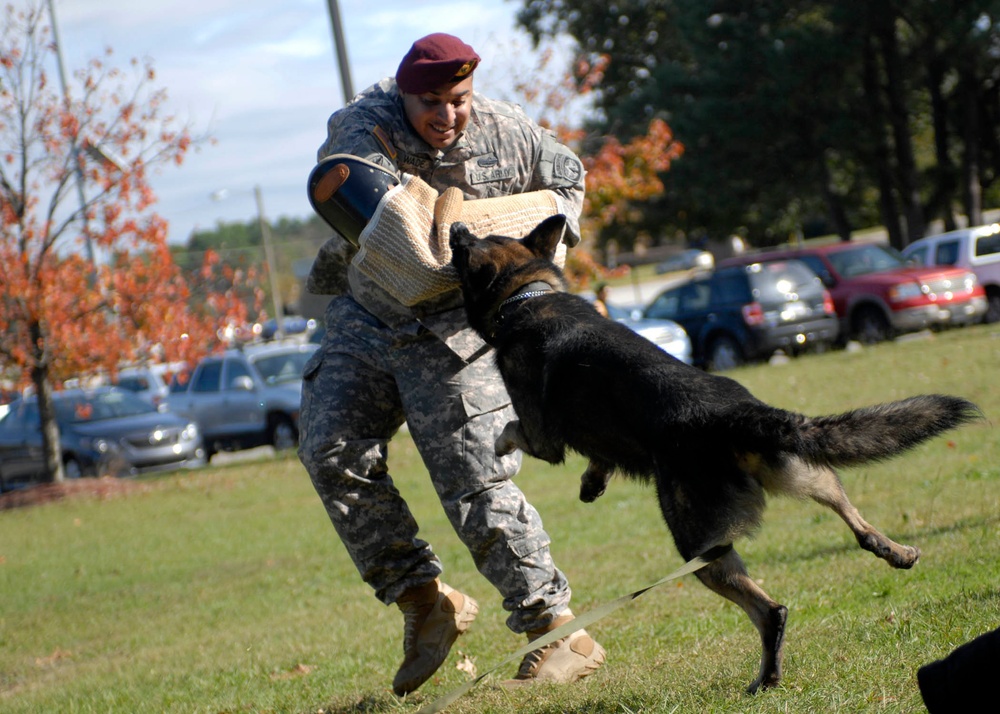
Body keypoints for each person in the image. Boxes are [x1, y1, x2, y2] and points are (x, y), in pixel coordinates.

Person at [298, 32, 605, 697]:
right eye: (430, 102)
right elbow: (398, 239)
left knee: (475, 481)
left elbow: (567, 182)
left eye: (458, 100)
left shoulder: (507, 131)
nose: (447, 116)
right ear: (403, 93)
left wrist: (535, 239)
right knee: (329, 448)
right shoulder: (362, 129)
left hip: (454, 327)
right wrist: (488, 224)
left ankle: (558, 633)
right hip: (372, 313)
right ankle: (423, 599)